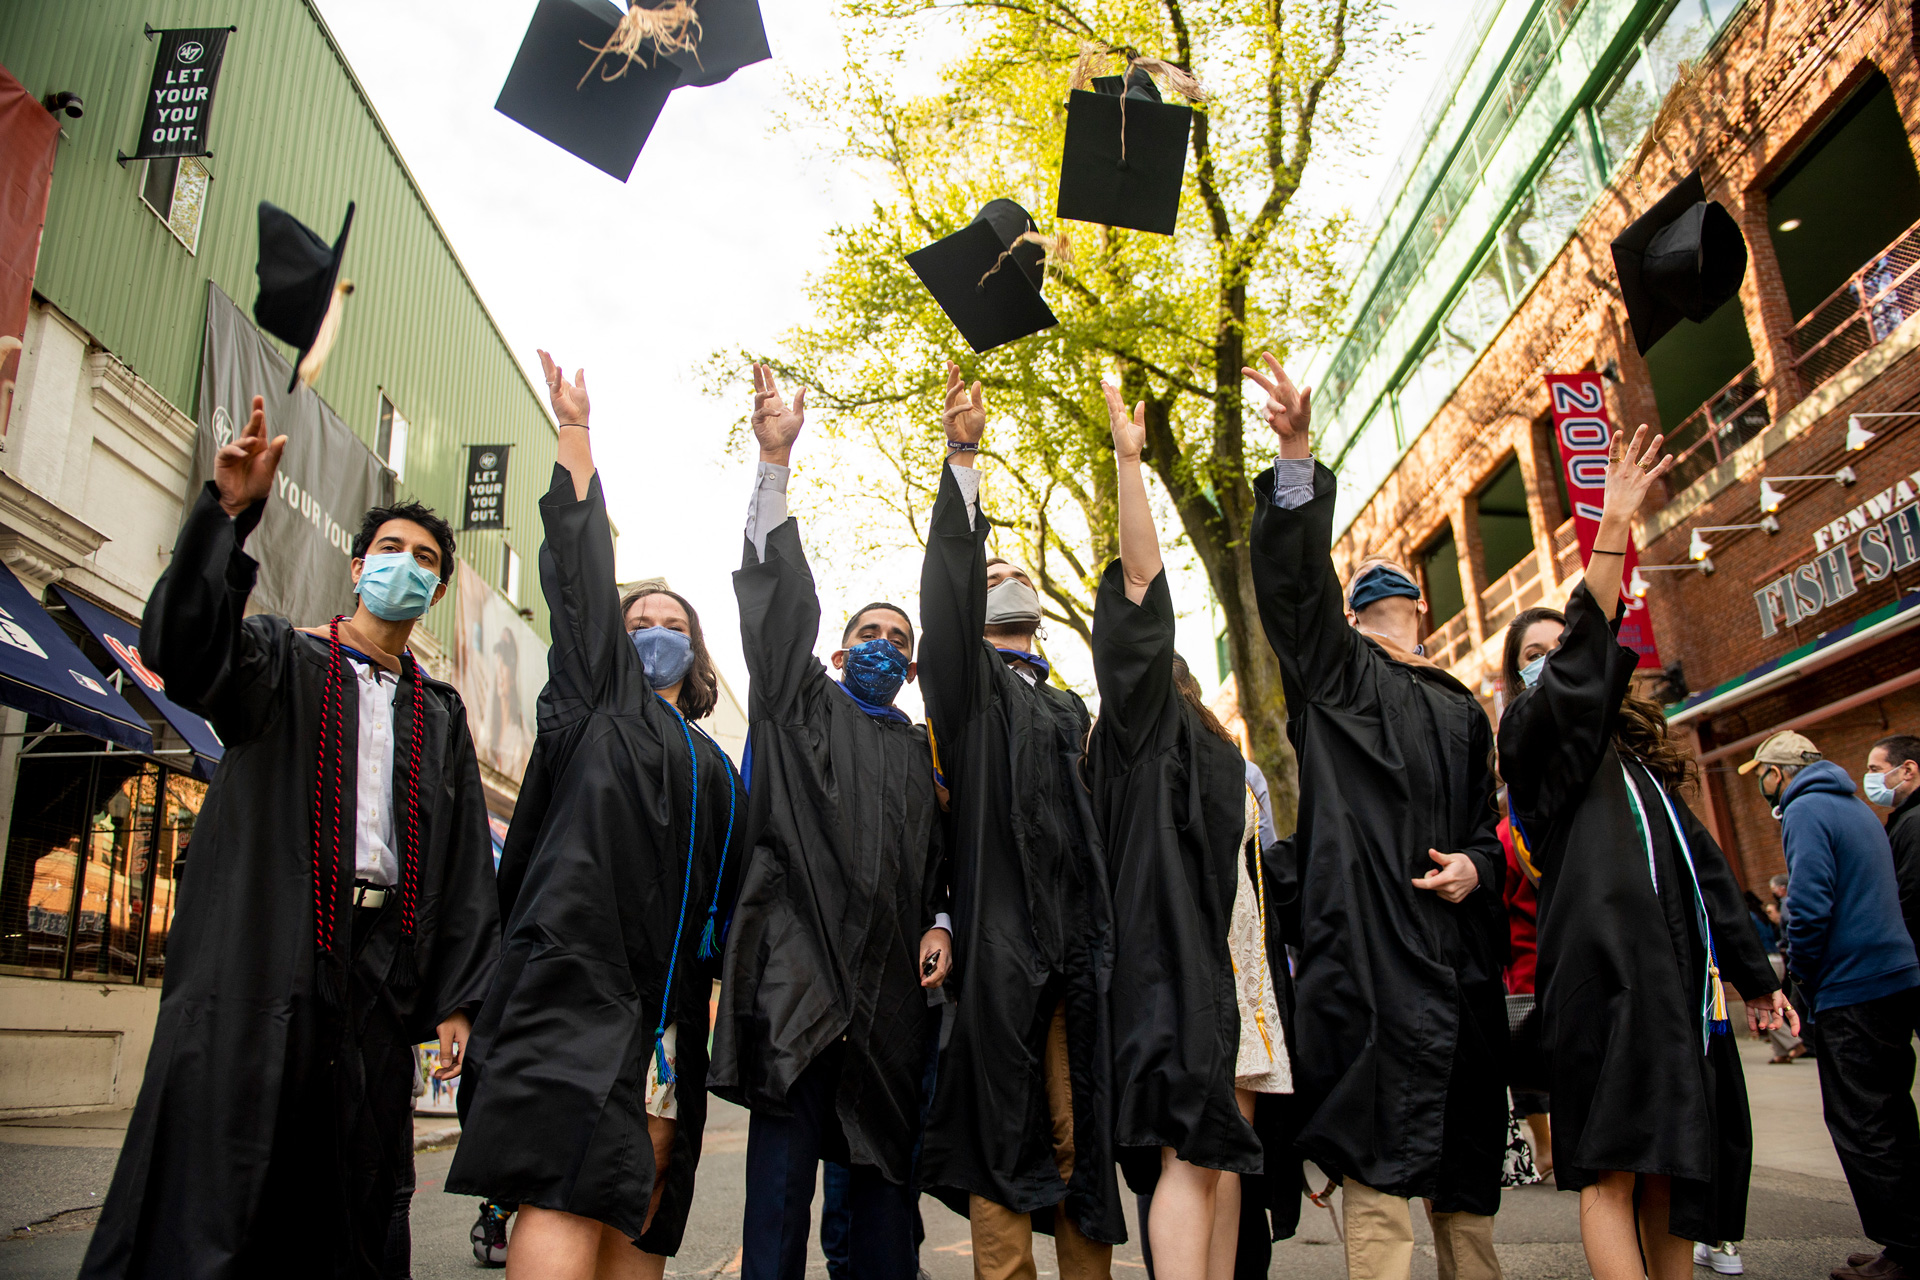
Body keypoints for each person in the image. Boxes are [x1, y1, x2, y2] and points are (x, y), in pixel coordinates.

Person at [82, 396, 500, 1280]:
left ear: (436, 589)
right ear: (357, 570)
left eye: (425, 560)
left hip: (378, 972)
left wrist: (461, 996)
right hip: (263, 953)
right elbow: (185, 656)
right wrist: (225, 516)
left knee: (352, 1177)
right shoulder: (279, 658)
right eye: (390, 551)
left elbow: (464, 867)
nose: (407, 567)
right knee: (224, 1171)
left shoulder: (443, 714)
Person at [448, 353, 745, 1280]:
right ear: (610, 645)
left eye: (676, 622)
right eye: (639, 617)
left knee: (648, 1188)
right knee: (567, 1181)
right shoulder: (589, 707)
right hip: (573, 989)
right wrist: (575, 434)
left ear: (694, 652)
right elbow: (578, 571)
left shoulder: (715, 766)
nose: (657, 627)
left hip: (668, 1015)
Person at [1499, 425, 1793, 1280]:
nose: (1551, 664)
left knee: (1677, 1168)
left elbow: (1707, 871)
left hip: (1676, 984)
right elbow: (1585, 662)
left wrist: (1759, 978)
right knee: (1612, 1171)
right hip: (1601, 981)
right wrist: (1613, 530)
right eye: (1533, 657)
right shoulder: (1533, 747)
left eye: (1559, 651)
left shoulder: (1641, 772)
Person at [1242, 352, 1508, 1280]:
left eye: (1393, 593)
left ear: (1420, 604)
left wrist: (1479, 865)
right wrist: (1297, 455)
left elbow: (1486, 826)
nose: (1384, 601)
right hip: (1373, 954)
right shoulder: (1342, 677)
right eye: (1366, 595)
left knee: (1467, 1166)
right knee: (1380, 1158)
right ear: (1356, 613)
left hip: (1458, 959)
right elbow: (1289, 587)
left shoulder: (1465, 706)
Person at [710, 365, 951, 1280]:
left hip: (891, 1000)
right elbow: (776, 609)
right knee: (777, 1206)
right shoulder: (799, 705)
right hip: (800, 984)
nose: (884, 646)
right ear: (836, 651)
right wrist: (775, 463)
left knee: (888, 1201)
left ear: (915, 667)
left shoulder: (929, 755)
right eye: (869, 635)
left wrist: (942, 922)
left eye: (901, 639)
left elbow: (942, 874)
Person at [1085, 380, 1297, 1280]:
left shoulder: (1219, 761)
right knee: (1187, 1146)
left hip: (1240, 978)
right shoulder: (1135, 739)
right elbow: (1138, 586)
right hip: (1174, 967)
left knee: (1223, 1148)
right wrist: (1132, 464)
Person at [917, 361, 1124, 1278]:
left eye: (1017, 570)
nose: (1008, 577)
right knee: (1002, 1134)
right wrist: (965, 456)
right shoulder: (968, 696)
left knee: (1082, 1132)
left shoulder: (1072, 707)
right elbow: (950, 589)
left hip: (1079, 943)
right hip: (1002, 944)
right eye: (993, 571)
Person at [1746, 730, 1920, 1280]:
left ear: (1780, 773)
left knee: (1862, 1121)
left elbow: (1809, 904)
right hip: (1892, 977)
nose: (1765, 789)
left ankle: (1904, 1249)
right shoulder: (1857, 808)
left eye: (1765, 777)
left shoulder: (1805, 810)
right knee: (1892, 1111)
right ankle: (1909, 1239)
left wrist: (1800, 976)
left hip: (1852, 985)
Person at [1495, 802, 1551, 1178]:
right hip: (1566, 963)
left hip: (1525, 968)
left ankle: (1546, 1150)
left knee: (1528, 1065)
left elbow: (1496, 906)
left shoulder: (1505, 837)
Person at [1866, 735, 1920, 964]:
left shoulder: (1914, 822)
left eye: (1875, 769)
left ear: (1907, 770)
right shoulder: (1907, 818)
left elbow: (1912, 897)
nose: (1869, 779)